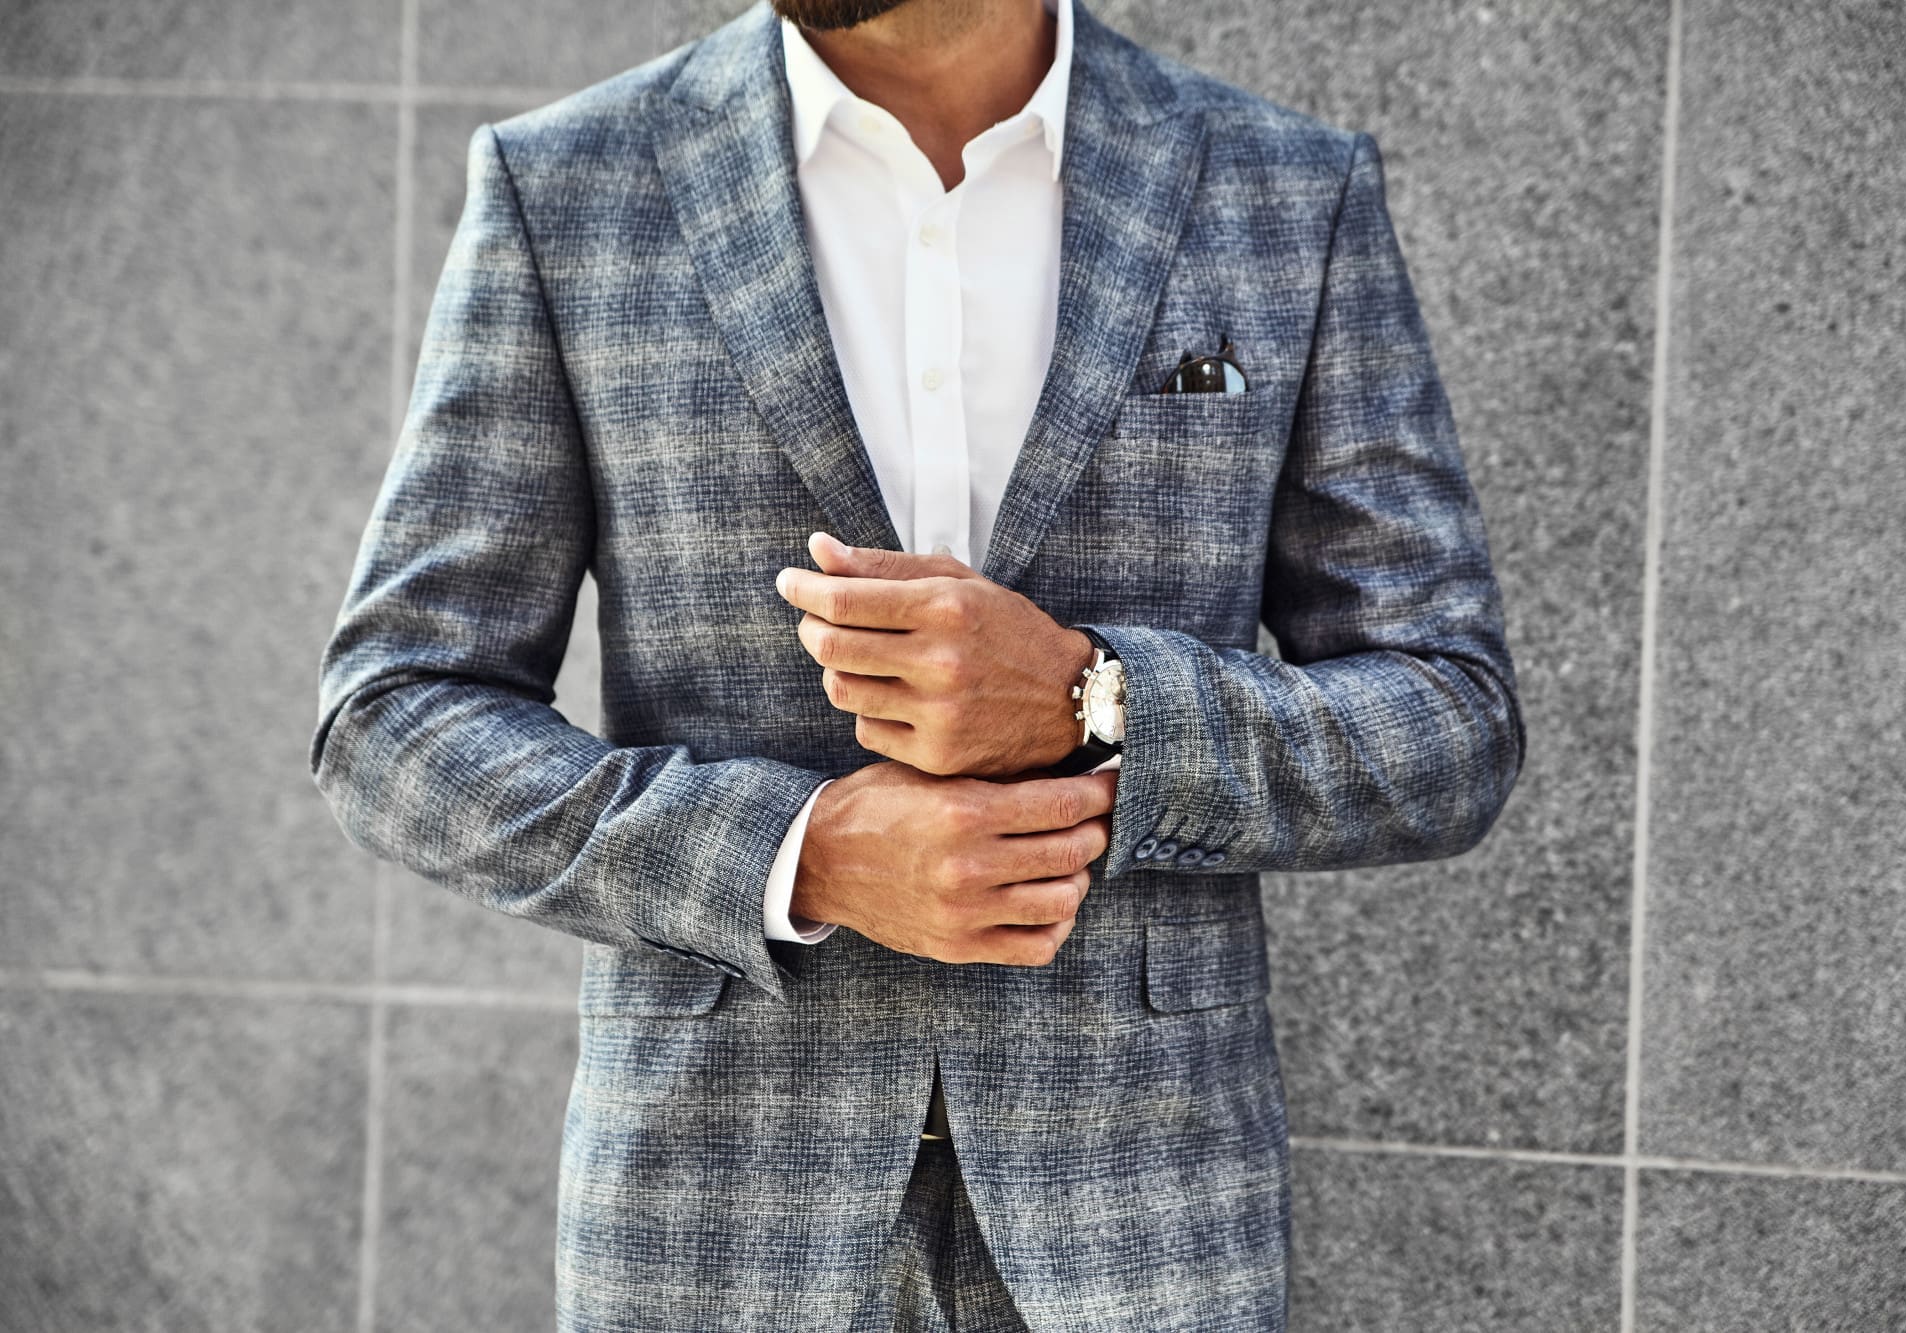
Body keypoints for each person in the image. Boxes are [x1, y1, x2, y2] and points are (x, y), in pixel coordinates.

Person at [308, 0, 1526, 1325]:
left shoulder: (1281, 190)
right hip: (715, 1226)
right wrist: (798, 851)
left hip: (1146, 1223)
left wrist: (1095, 702)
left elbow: (1450, 719)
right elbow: (393, 715)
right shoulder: (574, 188)